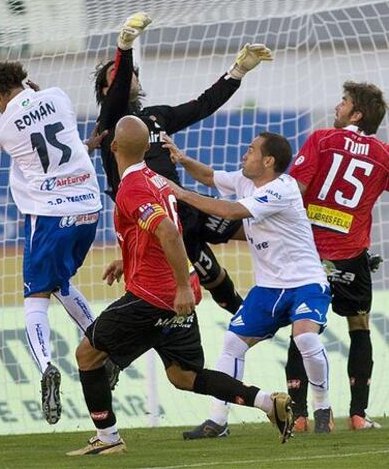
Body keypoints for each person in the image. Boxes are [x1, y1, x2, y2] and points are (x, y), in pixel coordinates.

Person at [67, 115, 293, 456]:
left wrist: (179, 288)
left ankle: (108, 438)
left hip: (155, 296)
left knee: (87, 354)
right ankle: (266, 401)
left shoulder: (130, 187)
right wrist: (128, 261)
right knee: (184, 376)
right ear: (146, 148)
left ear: (113, 147)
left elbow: (169, 233)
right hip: (176, 291)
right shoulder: (155, 178)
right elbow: (157, 232)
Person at [94, 11, 273, 316]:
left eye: (130, 72)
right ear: (106, 91)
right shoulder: (110, 125)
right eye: (119, 76)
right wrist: (123, 47)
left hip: (184, 208)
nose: (128, 77)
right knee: (215, 281)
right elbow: (120, 88)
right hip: (156, 221)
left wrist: (237, 72)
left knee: (261, 229)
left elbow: (202, 105)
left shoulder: (155, 117)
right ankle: (247, 327)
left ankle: (309, 272)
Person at [163, 131, 333, 437]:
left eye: (251, 150)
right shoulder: (244, 180)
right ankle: (218, 421)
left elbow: (231, 211)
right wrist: (183, 158)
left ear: (268, 161)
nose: (245, 154)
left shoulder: (284, 188)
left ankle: (322, 407)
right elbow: (210, 176)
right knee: (232, 343)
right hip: (268, 289)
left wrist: (180, 193)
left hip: (306, 282)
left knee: (306, 340)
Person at [0, 61, 103, 425]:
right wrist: (36, 92)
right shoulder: (58, 96)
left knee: (35, 296)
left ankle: (46, 366)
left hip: (48, 215)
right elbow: (51, 124)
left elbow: (29, 136)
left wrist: (21, 103)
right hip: (88, 210)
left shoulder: (1, 129)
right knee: (60, 281)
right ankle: (102, 345)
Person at [284, 81, 388, 432]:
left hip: (309, 255)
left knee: (303, 329)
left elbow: (294, 190)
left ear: (356, 113)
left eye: (343, 102)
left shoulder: (322, 139)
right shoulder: (383, 155)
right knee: (359, 326)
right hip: (352, 256)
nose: (337, 106)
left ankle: (298, 416)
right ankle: (358, 415)